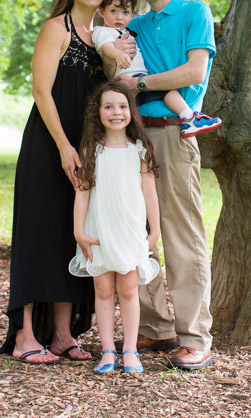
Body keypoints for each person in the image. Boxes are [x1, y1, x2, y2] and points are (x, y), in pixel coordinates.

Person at [0, 0, 108, 364]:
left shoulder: (101, 37)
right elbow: (42, 91)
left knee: (71, 232)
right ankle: (25, 335)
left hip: (86, 151)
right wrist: (64, 145)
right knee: (37, 233)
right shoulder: (55, 28)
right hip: (50, 146)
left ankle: (63, 334)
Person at [116, 0, 216, 371]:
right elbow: (113, 63)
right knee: (135, 233)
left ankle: (195, 337)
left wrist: (141, 83)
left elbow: (193, 72)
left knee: (181, 235)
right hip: (135, 138)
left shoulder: (196, 12)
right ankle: (156, 327)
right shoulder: (136, 25)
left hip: (175, 136)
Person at [69, 81, 160, 375]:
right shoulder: (91, 150)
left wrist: (154, 231)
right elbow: (82, 192)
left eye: (122, 106)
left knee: (129, 289)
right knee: (104, 288)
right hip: (98, 230)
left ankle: (130, 350)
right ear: (98, 113)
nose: (116, 112)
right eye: (109, 106)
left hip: (129, 230)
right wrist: (78, 232)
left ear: (131, 111)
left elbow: (150, 194)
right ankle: (108, 350)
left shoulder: (140, 150)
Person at [93, 0, 221, 138]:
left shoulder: (130, 28)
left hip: (138, 82)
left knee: (165, 90)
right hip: (127, 81)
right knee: (166, 90)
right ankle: (189, 118)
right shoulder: (102, 31)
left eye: (125, 12)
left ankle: (189, 117)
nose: (119, 17)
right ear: (101, 11)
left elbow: (196, 72)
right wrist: (117, 54)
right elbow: (106, 48)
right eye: (113, 11)